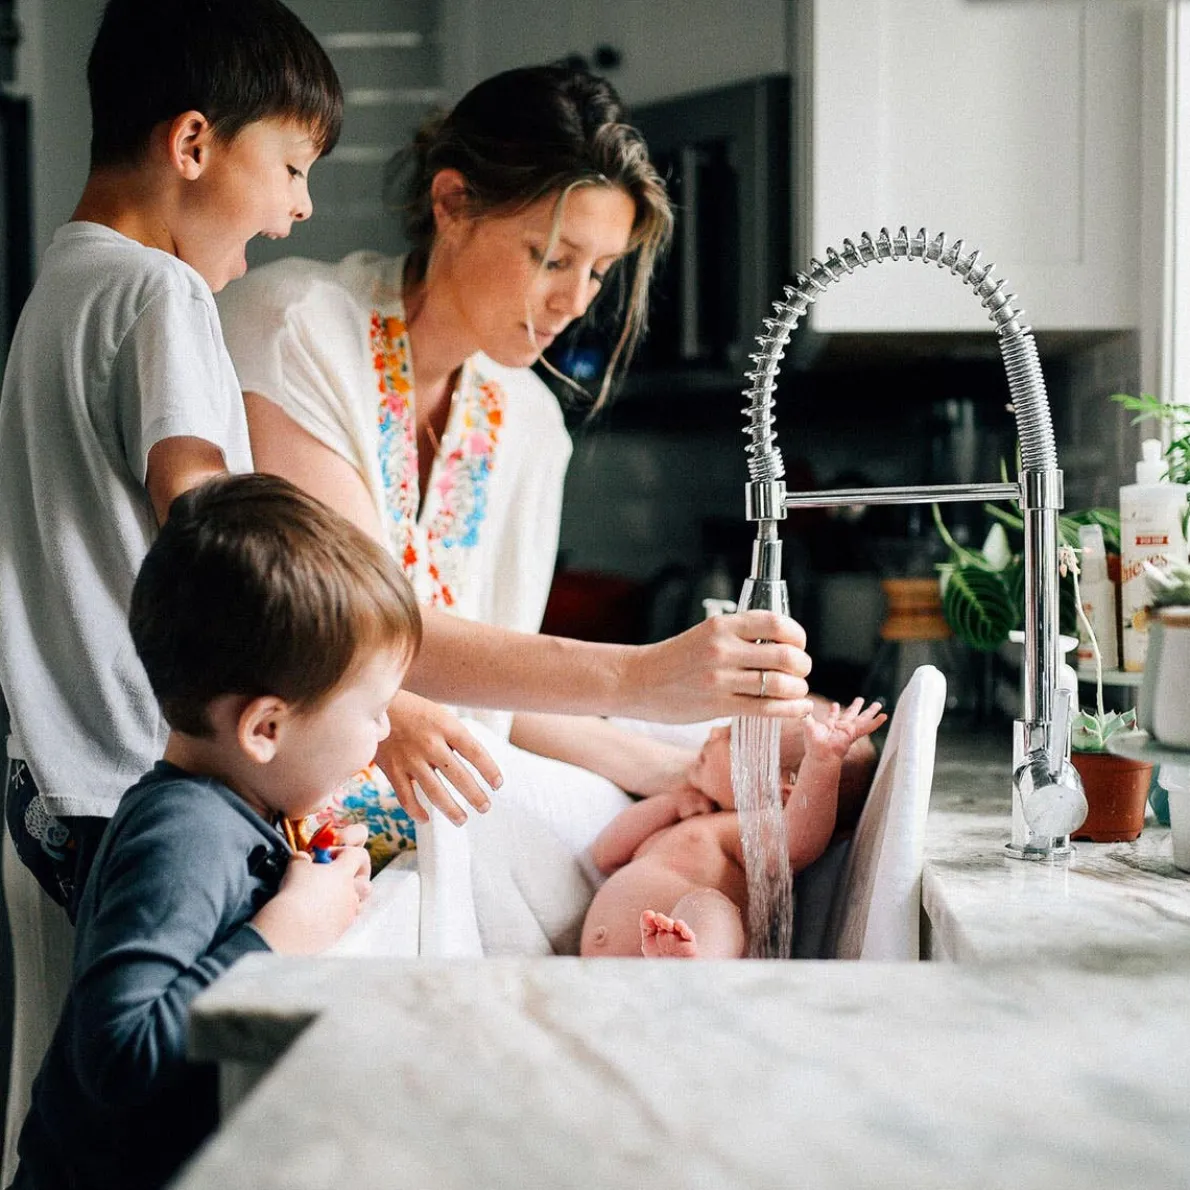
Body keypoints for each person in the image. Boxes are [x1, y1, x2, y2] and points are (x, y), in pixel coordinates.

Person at [216, 63, 817, 834]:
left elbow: (494, 696)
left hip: (433, 823)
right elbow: (355, 628)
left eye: (599, 271)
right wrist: (642, 676)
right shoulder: (293, 329)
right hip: (265, 812)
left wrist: (674, 770)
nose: (575, 301)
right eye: (552, 258)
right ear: (452, 203)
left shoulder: (529, 420)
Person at [0, 0, 341, 1177]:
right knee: (154, 1096)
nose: (301, 206)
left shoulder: (59, 287)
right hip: (128, 765)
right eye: (290, 166)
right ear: (193, 141)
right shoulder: (160, 292)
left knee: (73, 1093)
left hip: (45, 766)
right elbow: (207, 529)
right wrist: (348, 684)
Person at [8, 473, 411, 1190]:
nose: (382, 732)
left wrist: (310, 884)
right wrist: (286, 930)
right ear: (265, 729)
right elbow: (118, 1053)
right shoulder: (185, 837)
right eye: (374, 710)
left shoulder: (234, 807)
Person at [580, 699, 888, 959]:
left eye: (732, 737)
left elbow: (794, 843)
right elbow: (605, 855)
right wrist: (669, 805)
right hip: (607, 981)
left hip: (691, 967)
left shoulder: (746, 828)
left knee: (711, 906)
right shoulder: (687, 815)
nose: (714, 733)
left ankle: (699, 962)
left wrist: (821, 764)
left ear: (781, 792)